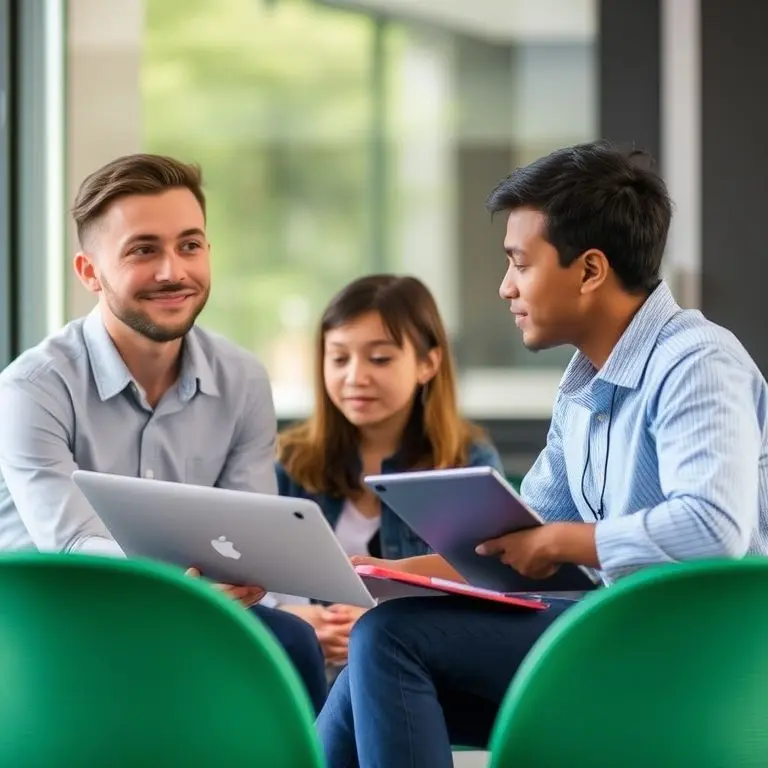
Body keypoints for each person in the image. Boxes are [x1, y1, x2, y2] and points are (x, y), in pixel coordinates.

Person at [316, 140, 768, 766]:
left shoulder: (697, 362)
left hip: (691, 656)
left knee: (391, 641)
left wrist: (560, 542)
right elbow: (508, 546)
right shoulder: (582, 383)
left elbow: (713, 529)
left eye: (520, 264)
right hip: (611, 640)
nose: (505, 288)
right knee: (373, 658)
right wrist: (365, 573)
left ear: (589, 270)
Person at [0, 153, 327, 714]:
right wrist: (186, 588)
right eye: (143, 250)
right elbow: (74, 547)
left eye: (190, 245)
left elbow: (249, 526)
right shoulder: (31, 387)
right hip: (56, 615)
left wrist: (238, 585)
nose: (173, 271)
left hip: (194, 605)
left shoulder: (242, 378)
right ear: (89, 273)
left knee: (292, 642)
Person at [273, 274, 503, 667]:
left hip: (413, 670)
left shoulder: (468, 464)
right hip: (305, 673)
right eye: (339, 358)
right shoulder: (291, 459)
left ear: (428, 363)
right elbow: (258, 580)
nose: (355, 377)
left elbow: (488, 590)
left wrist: (379, 625)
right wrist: (296, 621)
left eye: (379, 358)